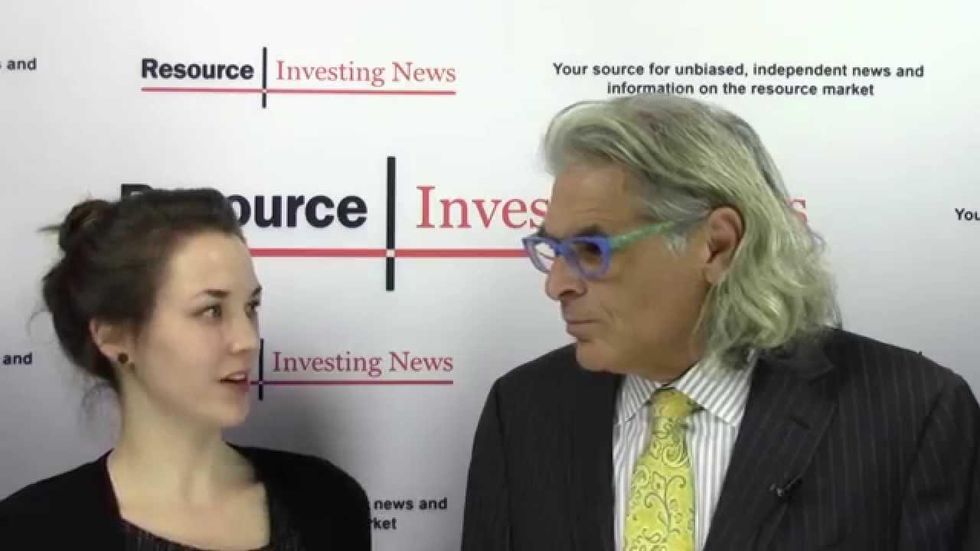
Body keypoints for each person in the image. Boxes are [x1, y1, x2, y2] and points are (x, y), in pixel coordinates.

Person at [461, 95, 980, 550]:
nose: (557, 285)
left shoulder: (912, 414)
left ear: (717, 245)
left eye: (591, 250)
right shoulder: (524, 412)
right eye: (552, 250)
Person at [0, 188, 370, 549]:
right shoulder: (31, 531)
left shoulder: (326, 502)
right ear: (114, 336)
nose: (247, 340)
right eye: (211, 311)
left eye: (251, 308)